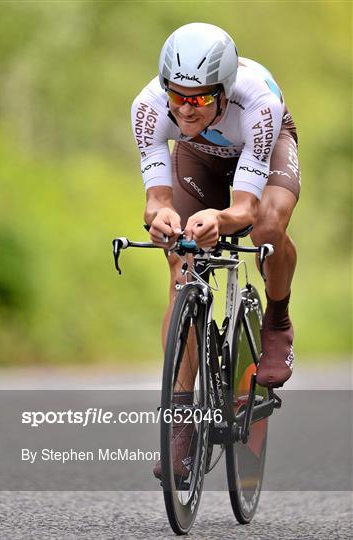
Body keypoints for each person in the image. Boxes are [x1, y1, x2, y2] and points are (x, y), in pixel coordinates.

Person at [131, 22, 300, 479]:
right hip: (200, 154)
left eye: (201, 98)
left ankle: (277, 319)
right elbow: (157, 201)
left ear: (223, 91)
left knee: (265, 227)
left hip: (263, 146)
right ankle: (182, 421)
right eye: (177, 95)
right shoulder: (149, 107)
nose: (186, 108)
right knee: (181, 260)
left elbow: (243, 209)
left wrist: (218, 220)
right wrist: (163, 220)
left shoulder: (258, 104)